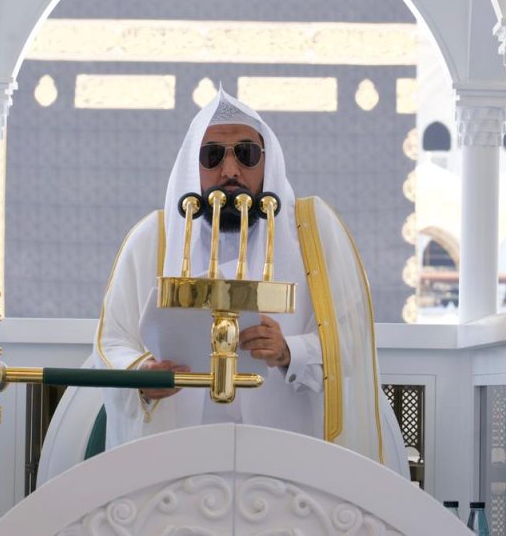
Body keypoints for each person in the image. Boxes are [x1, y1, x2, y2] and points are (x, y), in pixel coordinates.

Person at [94, 89, 385, 463]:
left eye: (246, 154)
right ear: (193, 166)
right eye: (212, 155)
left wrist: (289, 351)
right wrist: (142, 376)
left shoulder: (313, 232)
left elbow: (351, 341)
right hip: (178, 462)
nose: (230, 171)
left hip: (288, 460)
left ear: (268, 161)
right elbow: (112, 341)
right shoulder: (153, 238)